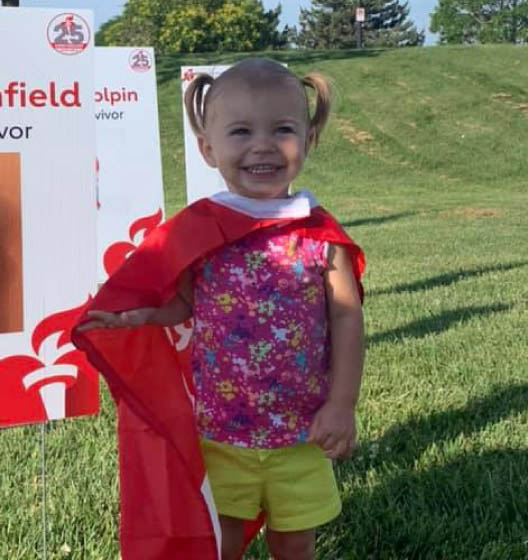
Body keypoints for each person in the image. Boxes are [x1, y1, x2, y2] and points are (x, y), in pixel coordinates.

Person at [74, 58, 365, 560]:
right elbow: (184, 302)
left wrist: (342, 404)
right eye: (240, 131)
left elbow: (347, 317)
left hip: (301, 432)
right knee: (221, 540)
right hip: (221, 433)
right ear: (208, 148)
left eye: (283, 129)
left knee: (295, 543)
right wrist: (140, 317)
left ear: (310, 138)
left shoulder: (319, 235)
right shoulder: (202, 231)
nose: (262, 145)